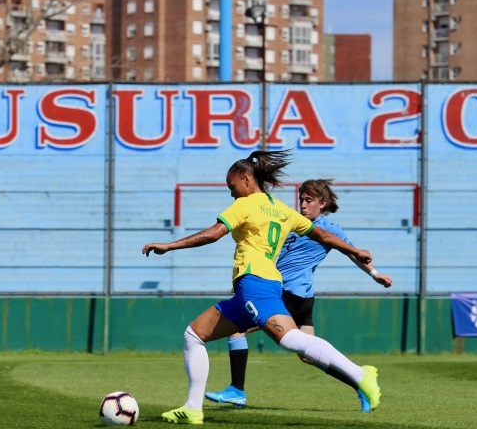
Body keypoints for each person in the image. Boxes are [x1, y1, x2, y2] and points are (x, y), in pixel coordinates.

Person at [142, 150, 382, 425]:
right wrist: (354, 249)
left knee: (291, 339)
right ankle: (193, 408)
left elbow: (212, 234)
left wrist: (169, 245)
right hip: (258, 287)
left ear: (246, 179)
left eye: (232, 186)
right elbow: (324, 235)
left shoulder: (245, 205)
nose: (232, 193)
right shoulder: (282, 210)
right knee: (194, 334)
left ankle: (361, 375)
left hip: (255, 284)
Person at [205, 179, 392, 412]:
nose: (302, 204)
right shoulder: (293, 222)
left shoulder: (329, 229)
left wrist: (374, 274)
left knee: (236, 329)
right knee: (308, 355)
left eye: (309, 200)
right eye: (301, 199)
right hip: (300, 297)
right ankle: (362, 383)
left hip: (288, 294)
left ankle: (237, 390)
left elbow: (354, 253)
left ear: (323, 203)